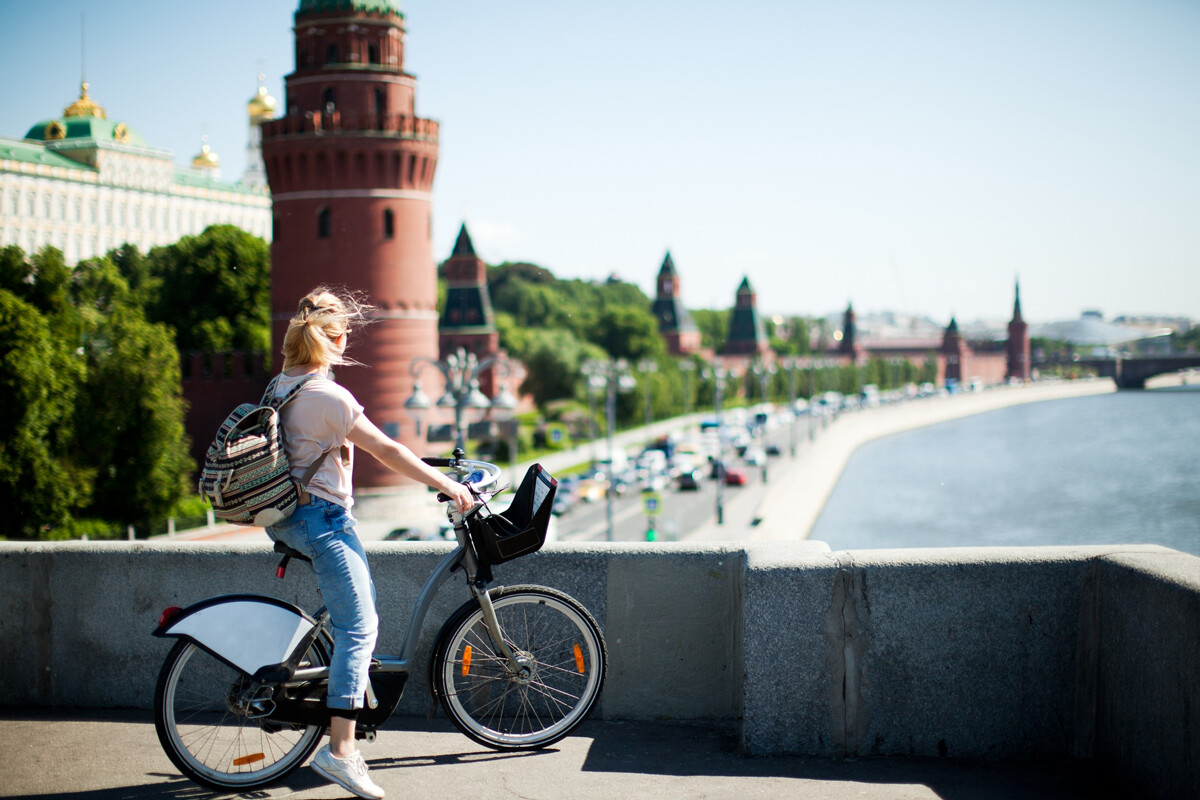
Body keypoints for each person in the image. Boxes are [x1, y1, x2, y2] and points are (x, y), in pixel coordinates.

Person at [266, 287, 473, 800]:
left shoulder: (283, 385)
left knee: (357, 616)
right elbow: (388, 449)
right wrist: (447, 484)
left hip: (293, 516)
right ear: (332, 340)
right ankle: (340, 752)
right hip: (322, 521)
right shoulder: (329, 398)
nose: (347, 343)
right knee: (360, 626)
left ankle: (346, 691)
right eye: (344, 336)